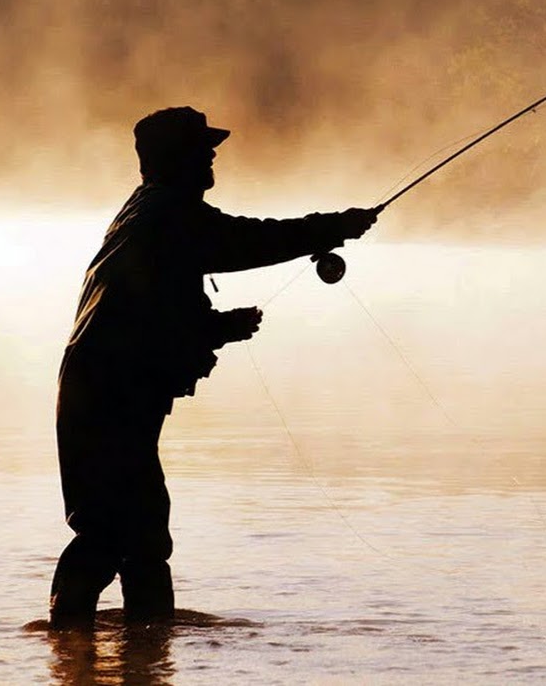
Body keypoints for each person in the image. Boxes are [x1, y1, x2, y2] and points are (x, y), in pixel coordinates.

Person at [49, 106, 378, 628]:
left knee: (142, 533)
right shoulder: (168, 213)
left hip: (106, 387)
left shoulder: (151, 212)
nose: (212, 155)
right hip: (109, 392)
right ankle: (69, 645)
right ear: (172, 158)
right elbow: (246, 241)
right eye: (202, 148)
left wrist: (216, 327)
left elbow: (152, 306)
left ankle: (142, 651)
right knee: (113, 529)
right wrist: (332, 228)